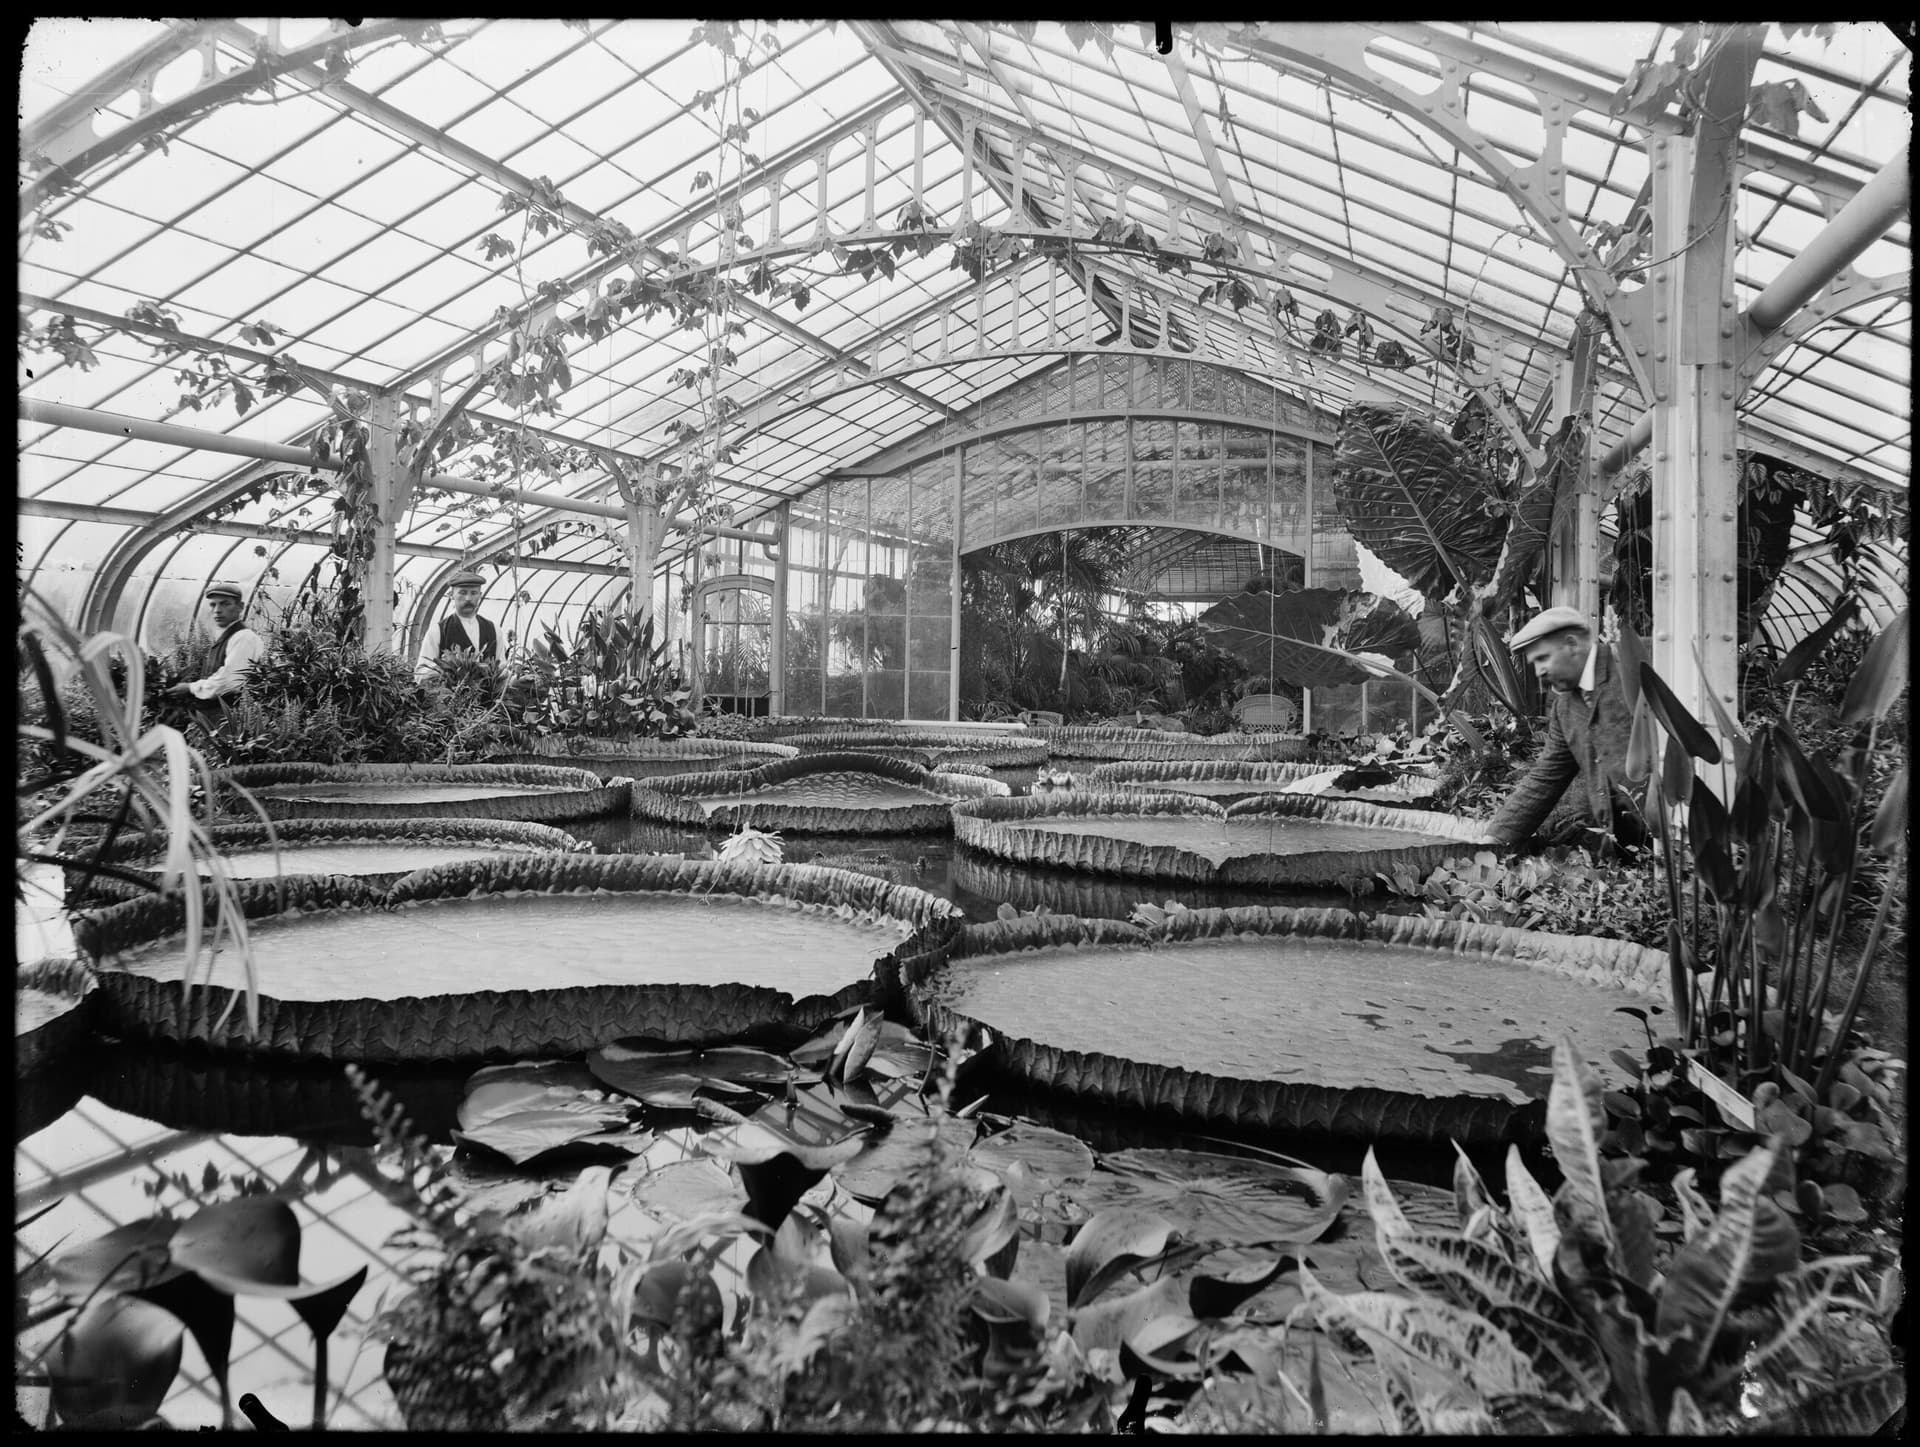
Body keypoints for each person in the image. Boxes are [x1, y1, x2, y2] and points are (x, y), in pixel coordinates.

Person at [1484, 606, 1646, 852]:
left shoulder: (1636, 664)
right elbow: (1545, 778)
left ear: (1571, 644)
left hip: (1675, 842)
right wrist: (1493, 841)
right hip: (1626, 848)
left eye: (1542, 658)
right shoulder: (1565, 708)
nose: (1538, 671)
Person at [164, 580, 264, 723]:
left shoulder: (244, 638)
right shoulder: (227, 636)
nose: (217, 610)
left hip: (228, 719)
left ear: (240, 607)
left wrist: (191, 687)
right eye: (213, 604)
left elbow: (229, 681)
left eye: (225, 603)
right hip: (212, 717)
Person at [416, 568, 498, 677]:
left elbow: (502, 668)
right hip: (450, 692)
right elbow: (421, 671)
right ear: (451, 595)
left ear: (480, 595)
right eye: (462, 593)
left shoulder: (493, 629)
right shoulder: (438, 631)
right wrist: (441, 675)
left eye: (474, 593)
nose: (468, 598)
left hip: (490, 694)